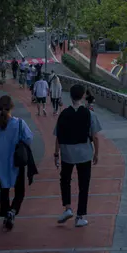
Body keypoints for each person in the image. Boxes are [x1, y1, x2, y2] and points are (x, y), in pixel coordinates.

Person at [54, 84, 101, 228]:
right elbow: (95, 136)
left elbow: (58, 136)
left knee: (65, 180)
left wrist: (56, 154)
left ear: (71, 96)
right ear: (83, 96)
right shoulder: (89, 114)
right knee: (83, 184)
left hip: (67, 152)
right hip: (84, 153)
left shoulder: (63, 114)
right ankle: (80, 216)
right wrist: (96, 153)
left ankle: (68, 208)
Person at [0, 95, 33, 231]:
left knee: (4, 191)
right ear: (12, 107)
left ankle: (6, 213)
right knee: (20, 192)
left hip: (0, 165)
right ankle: (13, 211)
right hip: (16, 164)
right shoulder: (19, 123)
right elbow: (29, 139)